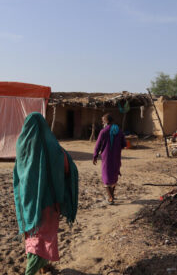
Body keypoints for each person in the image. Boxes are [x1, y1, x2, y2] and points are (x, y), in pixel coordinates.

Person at [13, 112, 79, 275]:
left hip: (27, 202)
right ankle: (31, 271)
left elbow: (18, 173)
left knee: (32, 234)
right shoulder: (54, 149)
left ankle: (43, 267)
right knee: (43, 236)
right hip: (48, 202)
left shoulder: (21, 145)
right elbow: (67, 167)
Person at [93, 113, 126, 204]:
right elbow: (124, 144)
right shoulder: (119, 131)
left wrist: (95, 156)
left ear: (106, 121)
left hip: (106, 157)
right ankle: (112, 195)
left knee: (106, 176)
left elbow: (98, 145)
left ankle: (110, 197)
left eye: (103, 120)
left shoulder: (103, 132)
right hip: (116, 156)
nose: (102, 122)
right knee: (114, 174)